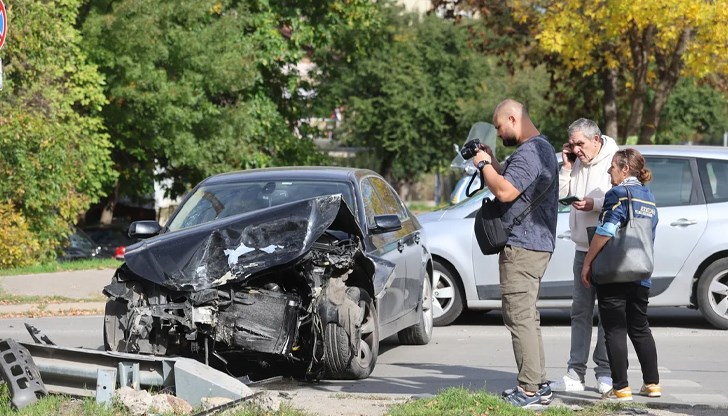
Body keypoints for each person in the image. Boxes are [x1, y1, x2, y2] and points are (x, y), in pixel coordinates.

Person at [473, 99, 558, 408]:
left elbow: (505, 191)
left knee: (519, 317)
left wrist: (483, 167)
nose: (499, 132)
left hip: (524, 245)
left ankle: (530, 391)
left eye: (499, 127)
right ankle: (539, 383)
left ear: (513, 118)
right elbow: (508, 181)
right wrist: (492, 161)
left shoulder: (531, 151)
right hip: (533, 243)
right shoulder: (538, 149)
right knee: (528, 318)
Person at [581, 148, 661, 401]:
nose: (609, 170)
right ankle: (652, 384)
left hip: (615, 273)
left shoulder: (618, 194)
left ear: (625, 169)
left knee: (615, 329)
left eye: (613, 166)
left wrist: (587, 262)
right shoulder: (648, 197)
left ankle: (621, 387)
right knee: (640, 328)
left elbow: (606, 230)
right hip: (641, 273)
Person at [552, 118, 619, 394]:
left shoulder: (615, 159)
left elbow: (621, 197)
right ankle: (575, 373)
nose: (577, 149)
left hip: (606, 246)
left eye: (581, 144)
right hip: (582, 246)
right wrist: (567, 167)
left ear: (596, 139)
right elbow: (559, 195)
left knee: (606, 312)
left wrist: (595, 203)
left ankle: (604, 373)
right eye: (573, 144)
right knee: (579, 312)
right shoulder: (576, 161)